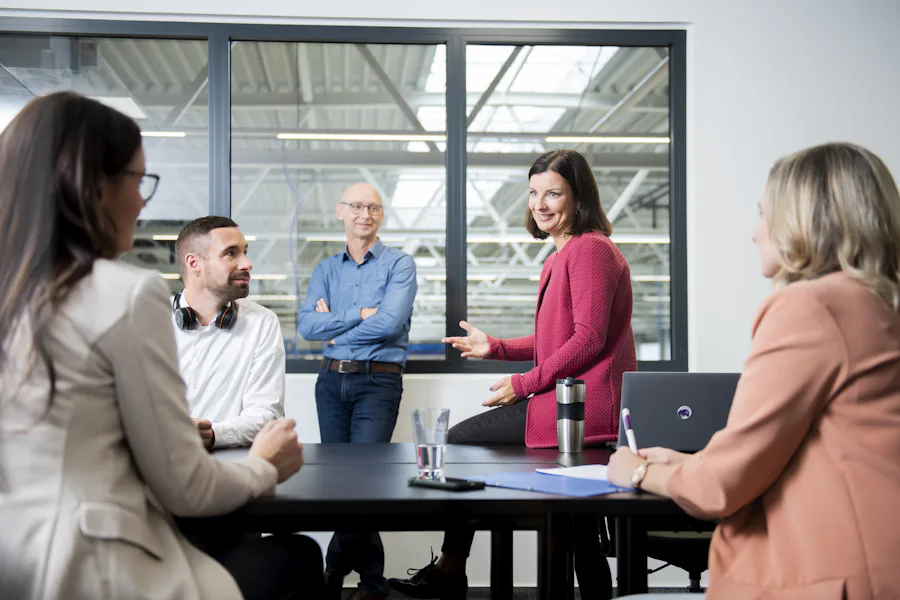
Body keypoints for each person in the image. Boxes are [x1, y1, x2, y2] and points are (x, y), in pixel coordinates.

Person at [0, 91, 322, 600]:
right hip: (89, 568)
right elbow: (187, 486)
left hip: (15, 558)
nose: (142, 201)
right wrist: (263, 465)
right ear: (92, 188)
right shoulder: (124, 294)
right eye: (138, 180)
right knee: (299, 557)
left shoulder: (15, 292)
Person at [608, 142, 900, 600]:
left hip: (833, 577)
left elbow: (718, 489)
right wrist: (688, 461)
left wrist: (638, 472)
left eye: (764, 214)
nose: (754, 233)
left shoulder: (812, 308)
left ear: (804, 222)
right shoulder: (876, 305)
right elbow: (818, 454)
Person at [389, 149, 637, 600]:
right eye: (533, 193)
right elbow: (556, 341)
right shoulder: (562, 256)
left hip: (584, 406)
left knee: (459, 440)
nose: (539, 204)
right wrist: (497, 348)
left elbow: (589, 341)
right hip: (567, 399)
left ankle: (451, 568)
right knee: (579, 533)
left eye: (553, 194)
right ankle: (453, 568)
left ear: (578, 197)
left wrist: (522, 385)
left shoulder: (589, 251)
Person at [297, 182, 417, 600]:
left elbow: (389, 324)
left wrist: (339, 322)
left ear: (381, 216)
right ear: (340, 212)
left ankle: (337, 573)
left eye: (374, 208)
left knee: (362, 481)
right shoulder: (325, 269)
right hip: (330, 381)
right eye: (357, 206)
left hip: (377, 381)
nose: (365, 213)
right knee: (339, 482)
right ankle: (371, 584)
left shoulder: (400, 264)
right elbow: (306, 327)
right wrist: (360, 313)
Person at [172, 216, 285, 449]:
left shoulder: (261, 323)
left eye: (245, 251)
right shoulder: (148, 322)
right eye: (231, 253)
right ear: (194, 264)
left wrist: (213, 434)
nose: (247, 263)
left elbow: (266, 415)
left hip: (228, 467)